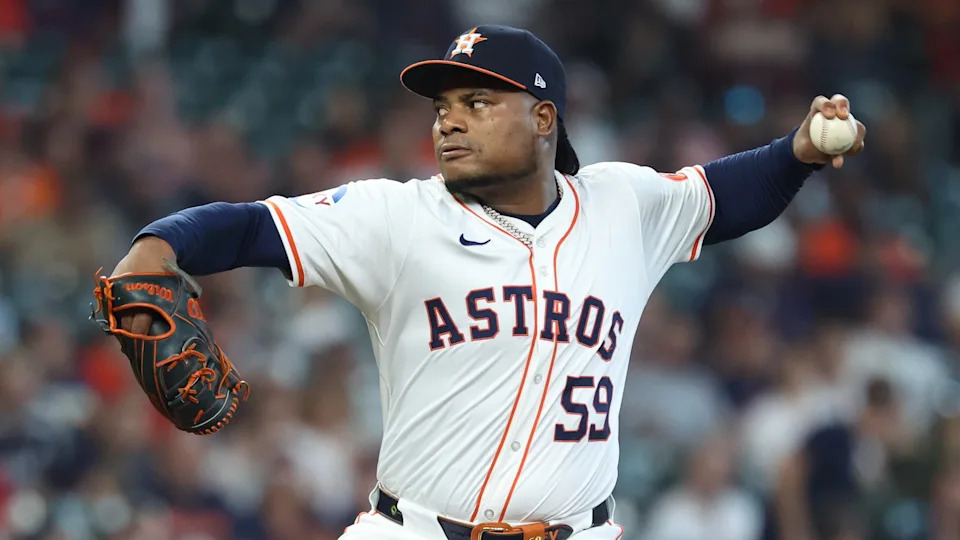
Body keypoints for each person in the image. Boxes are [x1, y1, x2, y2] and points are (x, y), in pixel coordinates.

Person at [107, 25, 865, 540]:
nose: (448, 122)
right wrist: (157, 245)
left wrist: (798, 151)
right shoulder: (397, 217)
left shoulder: (622, 205)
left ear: (543, 119)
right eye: (442, 107)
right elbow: (246, 227)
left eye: (477, 103)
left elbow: (729, 195)